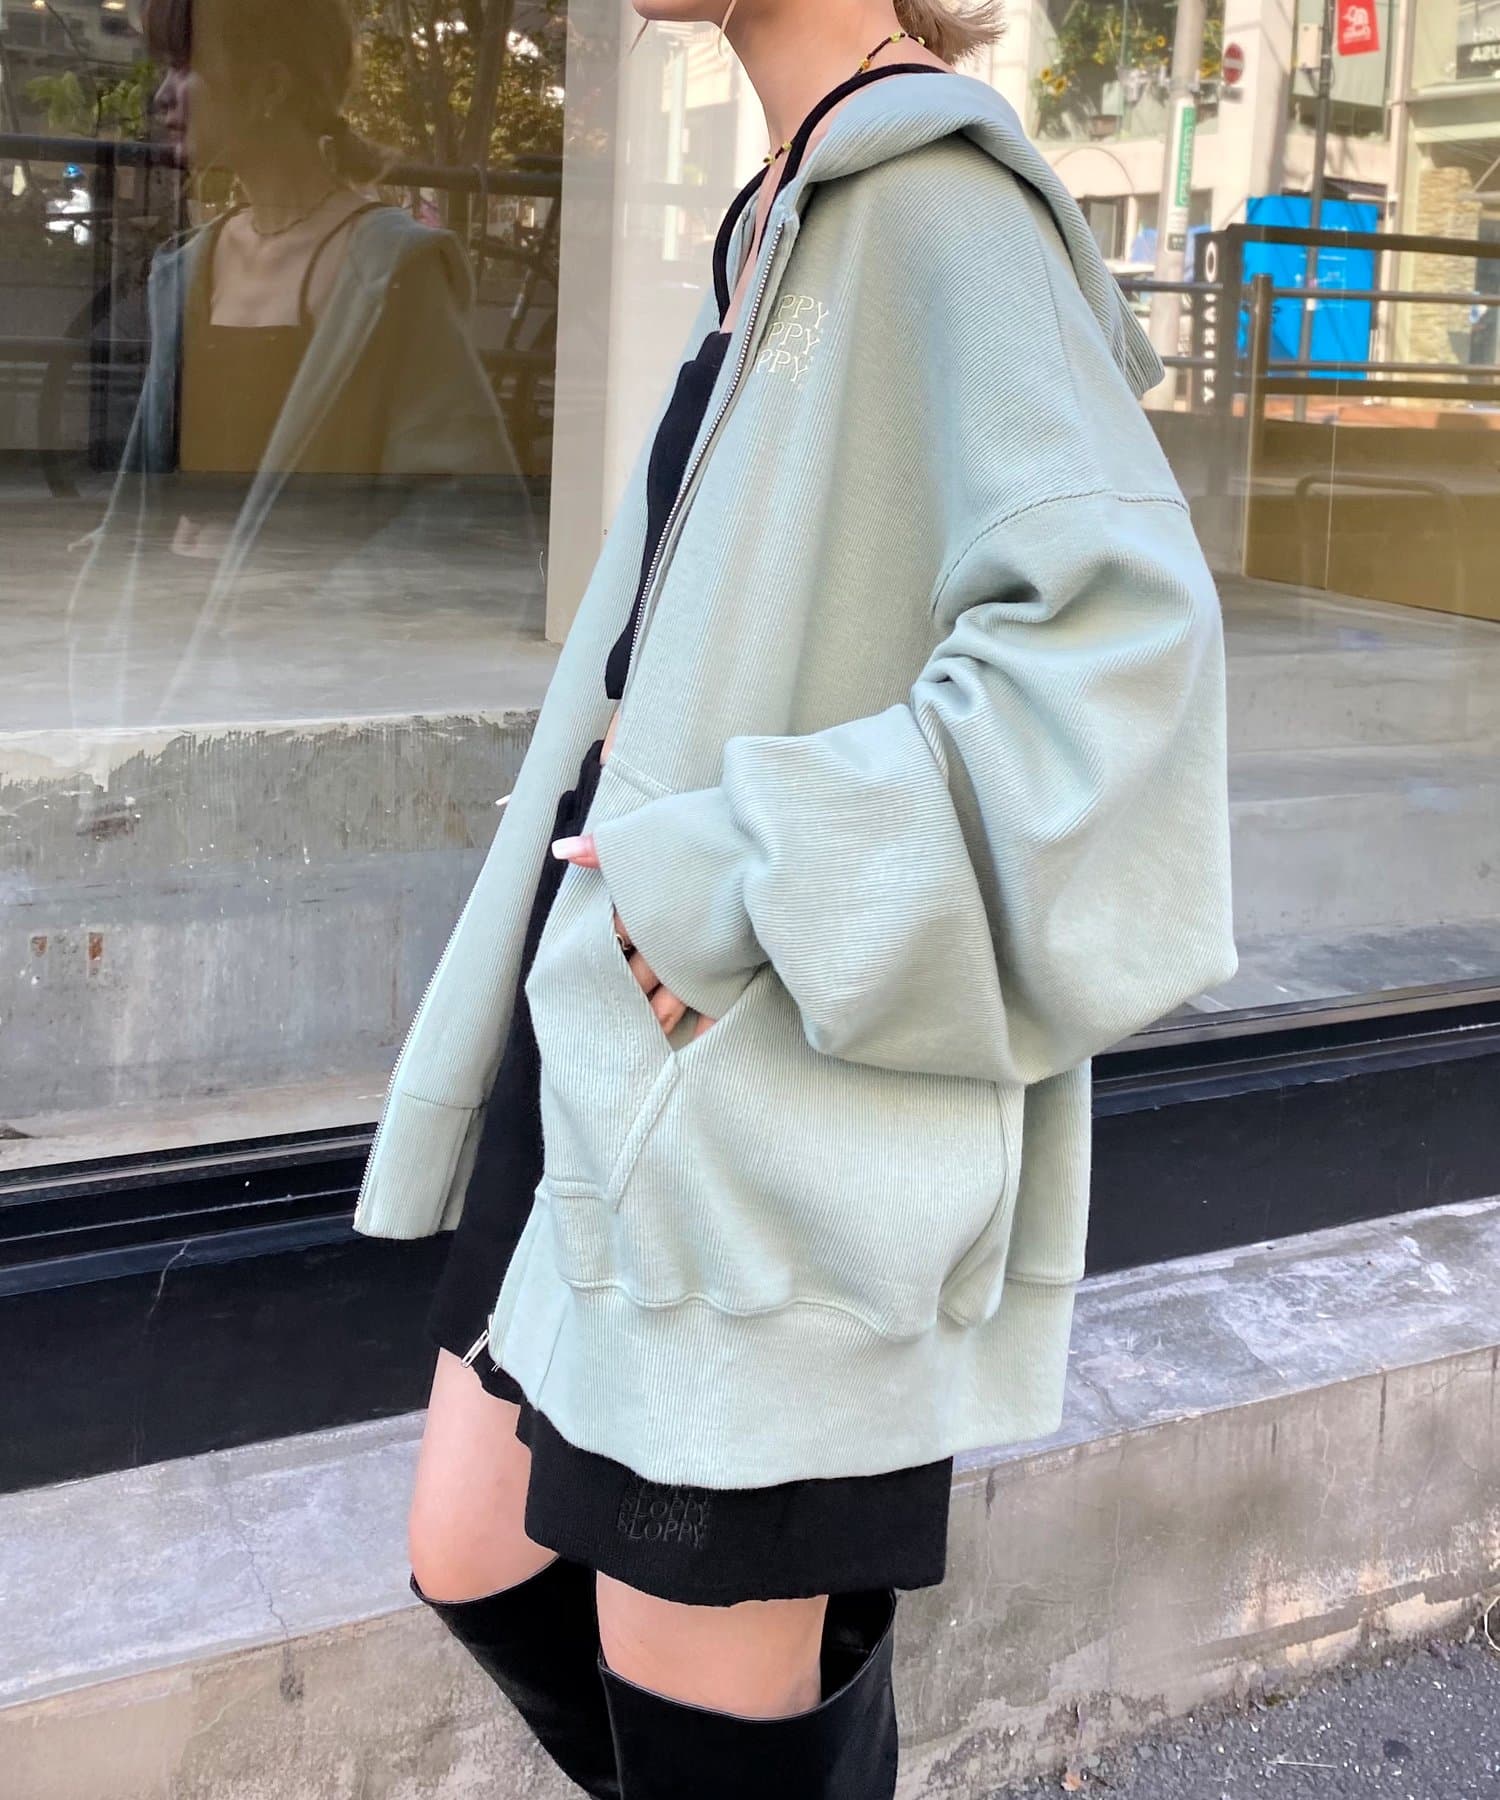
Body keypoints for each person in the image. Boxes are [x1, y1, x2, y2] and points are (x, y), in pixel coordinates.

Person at [354, 2, 1238, 1795]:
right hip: (615, 1013)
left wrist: (748, 877)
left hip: (763, 1072)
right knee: (475, 1547)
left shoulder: (941, 210)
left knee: (689, 1684)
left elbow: (1118, 666)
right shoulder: (787, 205)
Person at [65, 0, 523, 728]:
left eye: (186, 66)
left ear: (271, 87)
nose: (163, 97)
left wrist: (302, 593)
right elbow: (156, 493)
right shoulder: (185, 269)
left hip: (300, 696)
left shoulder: (386, 269)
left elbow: (470, 513)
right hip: (164, 671)